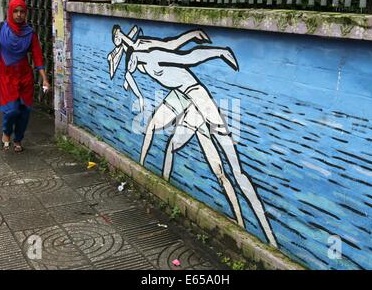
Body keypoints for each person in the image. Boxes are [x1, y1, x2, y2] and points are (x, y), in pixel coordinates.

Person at [109, 26, 278, 248]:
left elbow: (187, 56)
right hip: (189, 104)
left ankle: (270, 239)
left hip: (200, 100)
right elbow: (126, 69)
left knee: (235, 171)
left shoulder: (152, 56)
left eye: (130, 57)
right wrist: (131, 81)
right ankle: (237, 220)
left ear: (138, 51)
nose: (129, 64)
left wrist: (218, 52)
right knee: (215, 169)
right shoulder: (141, 65)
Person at [0, 0, 50, 152]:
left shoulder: (30, 33)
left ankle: (18, 139)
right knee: (12, 110)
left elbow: (38, 57)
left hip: (25, 76)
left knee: (25, 110)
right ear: (10, 12)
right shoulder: (0, 29)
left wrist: (44, 79)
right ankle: (6, 133)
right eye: (16, 11)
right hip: (6, 76)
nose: (19, 15)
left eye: (22, 12)